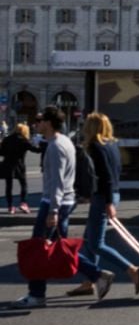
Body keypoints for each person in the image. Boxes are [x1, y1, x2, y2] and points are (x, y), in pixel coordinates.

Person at [11, 107, 85, 309]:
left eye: (40, 120)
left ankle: (36, 294)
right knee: (57, 245)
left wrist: (53, 209)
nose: (36, 123)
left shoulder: (55, 146)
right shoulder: (64, 142)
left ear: (49, 123)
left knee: (38, 247)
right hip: (64, 201)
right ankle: (97, 274)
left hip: (54, 203)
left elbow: (57, 182)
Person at [65, 112, 139, 299]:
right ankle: (89, 281)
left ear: (91, 128)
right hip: (108, 195)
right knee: (88, 241)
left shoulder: (95, 146)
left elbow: (105, 176)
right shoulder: (112, 145)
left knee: (96, 244)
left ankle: (132, 270)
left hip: (104, 198)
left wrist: (107, 202)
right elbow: (111, 174)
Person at [1, 122, 43, 213]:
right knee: (23, 184)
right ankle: (23, 203)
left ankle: (10, 207)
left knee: (9, 186)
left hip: (7, 165)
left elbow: (1, 152)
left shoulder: (7, 139)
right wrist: (43, 144)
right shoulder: (23, 140)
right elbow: (36, 150)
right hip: (19, 165)